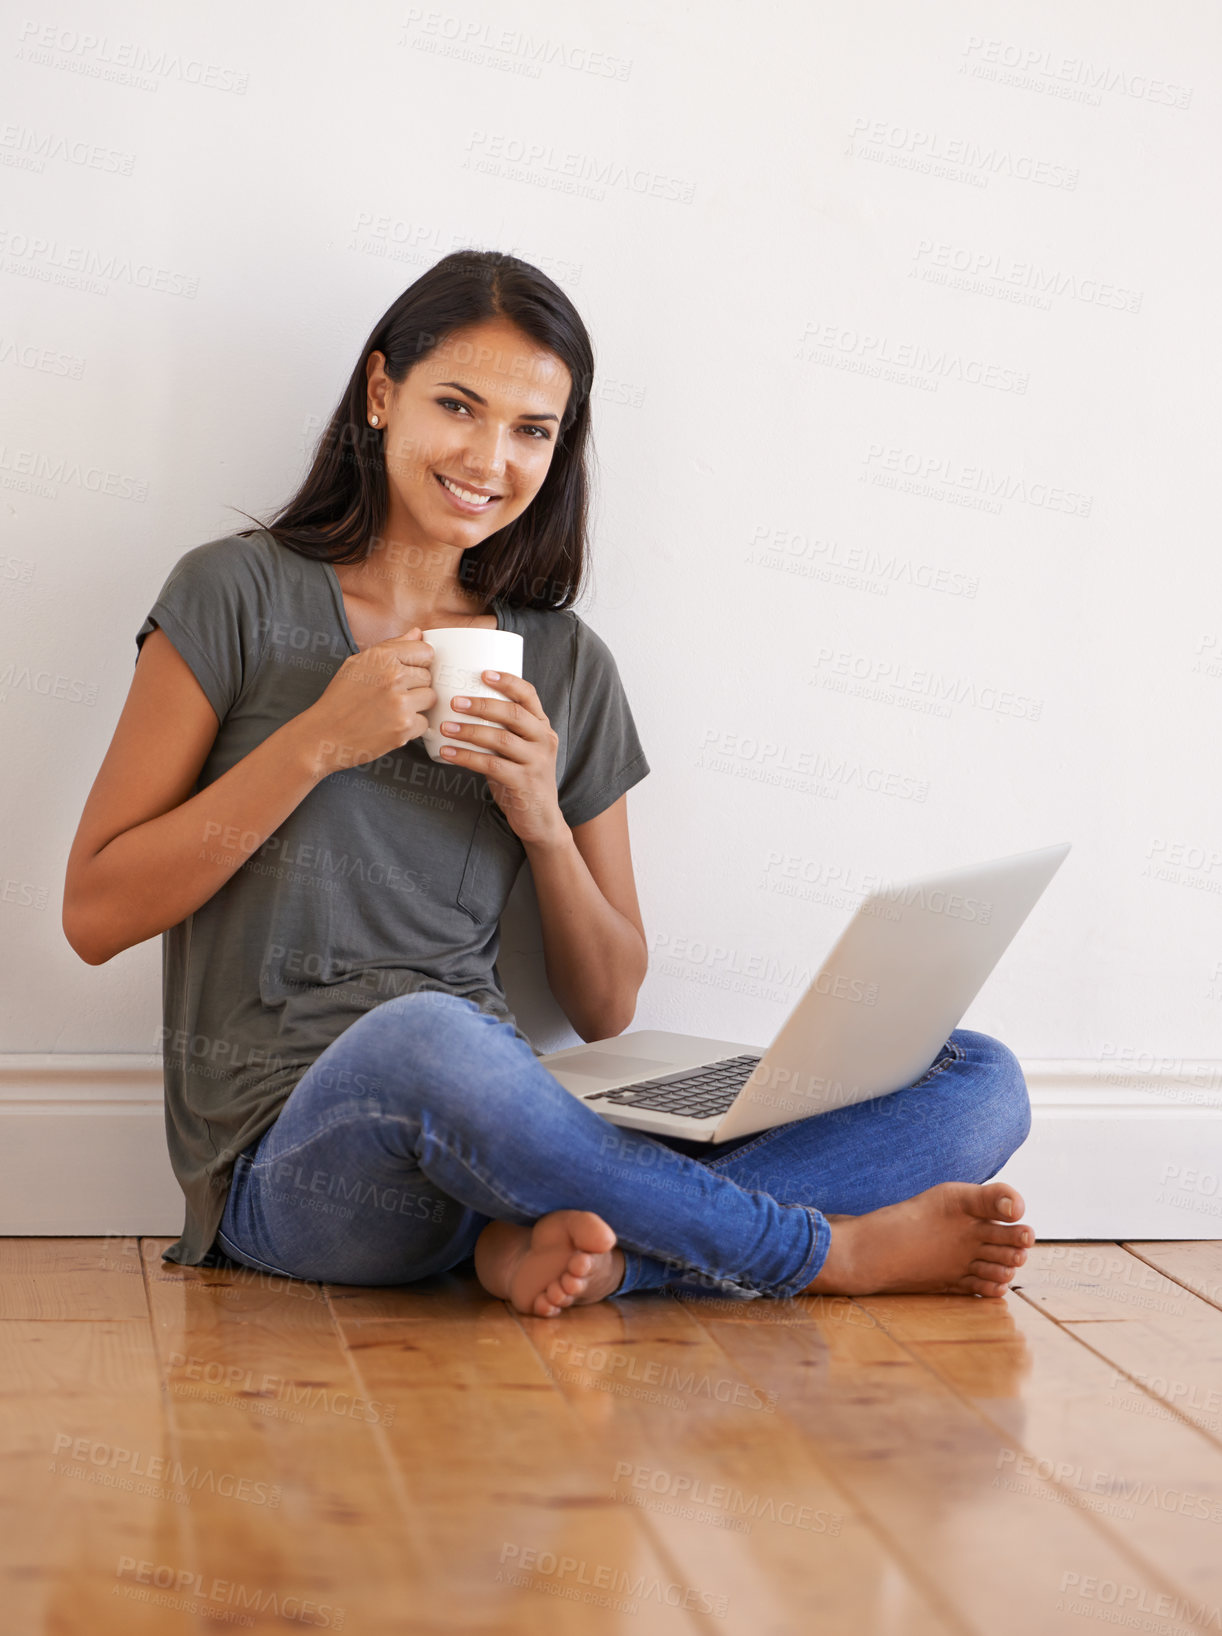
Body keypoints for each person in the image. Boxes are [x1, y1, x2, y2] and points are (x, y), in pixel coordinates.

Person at [62, 249, 1035, 1320]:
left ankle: (599, 1256)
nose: (490, 457)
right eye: (459, 407)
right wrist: (315, 742)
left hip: (513, 1121)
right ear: (382, 394)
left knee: (977, 1076)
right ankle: (817, 1255)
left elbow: (607, 1001)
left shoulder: (566, 662)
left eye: (532, 429)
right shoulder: (233, 592)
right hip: (297, 1165)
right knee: (427, 1037)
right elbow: (97, 912)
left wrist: (540, 821)